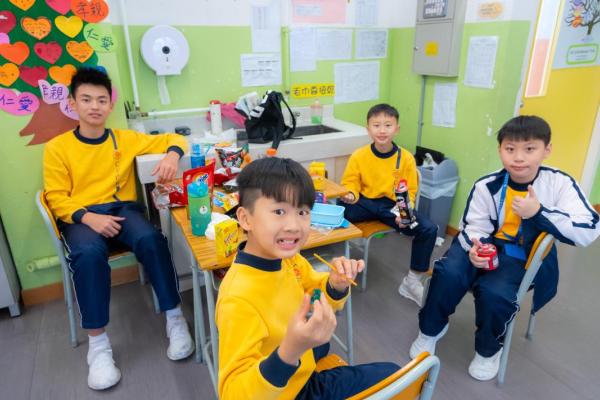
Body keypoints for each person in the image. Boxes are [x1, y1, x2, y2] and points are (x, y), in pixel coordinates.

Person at [410, 115, 600, 381]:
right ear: (500, 150)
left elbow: (588, 229)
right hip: (486, 243)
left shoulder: (560, 183)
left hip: (523, 252)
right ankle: (430, 330)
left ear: (547, 150)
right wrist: (475, 247)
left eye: (529, 149)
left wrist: (539, 212)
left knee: (495, 291)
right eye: (510, 149)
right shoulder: (487, 184)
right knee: (448, 272)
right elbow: (474, 226)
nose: (518, 157)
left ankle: (488, 350)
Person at [43, 67, 194, 390]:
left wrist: (172, 155)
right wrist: (88, 217)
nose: (94, 106)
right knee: (87, 255)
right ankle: (98, 347)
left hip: (123, 211)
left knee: (152, 239)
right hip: (82, 217)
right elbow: (55, 197)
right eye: (86, 99)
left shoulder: (125, 139)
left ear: (110, 105)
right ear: (72, 103)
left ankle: (175, 319)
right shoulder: (57, 148)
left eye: (101, 100)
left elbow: (176, 138)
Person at [216, 157, 400, 399]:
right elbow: (232, 394)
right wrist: (289, 352)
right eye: (279, 211)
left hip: (298, 361)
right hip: (289, 391)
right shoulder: (237, 299)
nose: (294, 226)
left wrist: (334, 285)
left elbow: (314, 289)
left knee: (323, 344)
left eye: (302, 211)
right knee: (394, 375)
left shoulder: (287, 258)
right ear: (245, 218)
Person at [339, 103, 438, 306]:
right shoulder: (359, 155)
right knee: (336, 214)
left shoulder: (406, 158)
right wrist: (350, 194)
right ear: (368, 129)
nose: (382, 130)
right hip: (364, 202)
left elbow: (409, 191)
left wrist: (403, 213)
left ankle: (411, 282)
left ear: (397, 129)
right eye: (376, 125)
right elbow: (350, 183)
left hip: (392, 207)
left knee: (428, 229)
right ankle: (337, 267)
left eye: (388, 125)